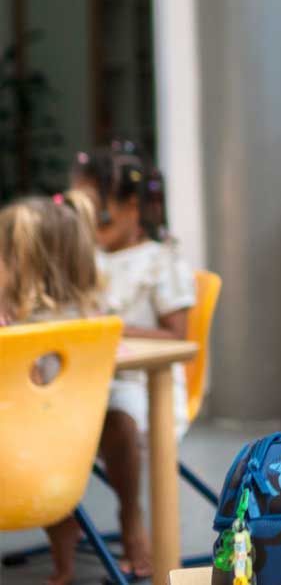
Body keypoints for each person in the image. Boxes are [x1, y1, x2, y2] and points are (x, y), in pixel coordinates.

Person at [71, 147, 196, 578]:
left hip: (148, 386)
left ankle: (130, 517)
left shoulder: (161, 261)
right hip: (92, 379)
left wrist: (109, 327)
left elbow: (178, 335)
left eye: (99, 216)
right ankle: (63, 532)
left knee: (117, 418)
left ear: (130, 207)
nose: (90, 228)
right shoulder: (87, 258)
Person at [0, 191, 101, 584]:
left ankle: (64, 561)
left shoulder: (23, 327)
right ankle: (64, 566)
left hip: (26, 444)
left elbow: (30, 388)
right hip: (61, 450)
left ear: (23, 265)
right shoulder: (87, 319)